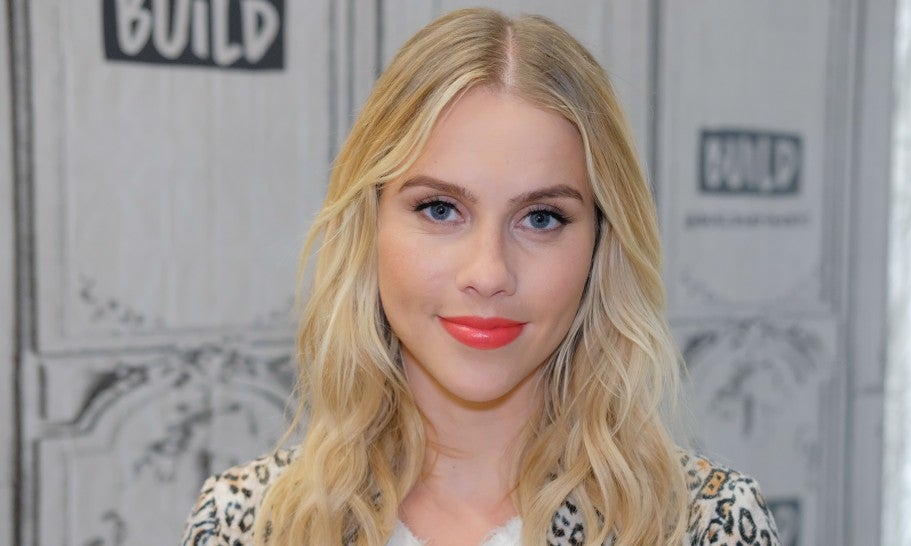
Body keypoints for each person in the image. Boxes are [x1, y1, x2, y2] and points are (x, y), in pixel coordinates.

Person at [181, 8, 779, 546]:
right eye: (440, 209)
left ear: (601, 244)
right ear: (369, 225)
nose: (489, 272)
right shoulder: (247, 523)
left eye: (541, 218)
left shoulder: (705, 525)